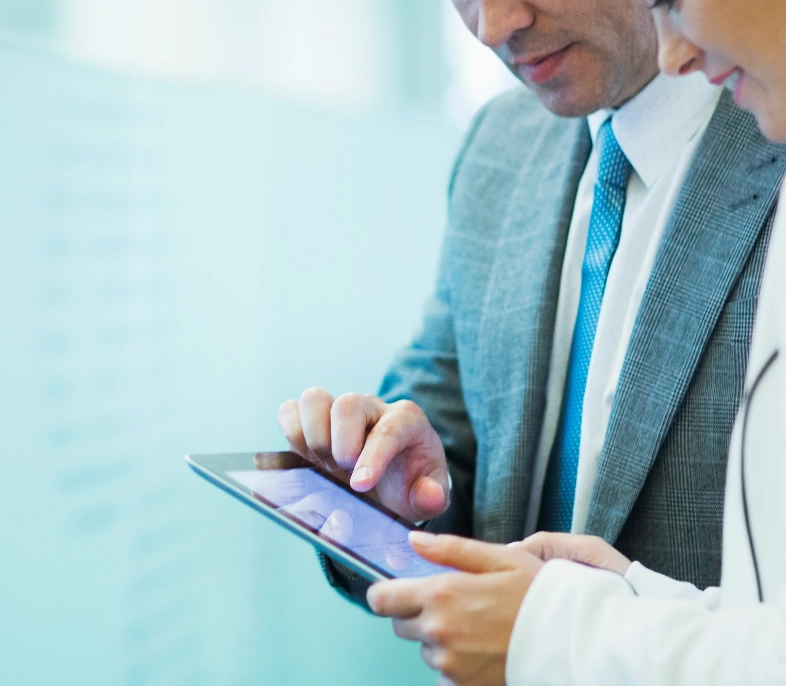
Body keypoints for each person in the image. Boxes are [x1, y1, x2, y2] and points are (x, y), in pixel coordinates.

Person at [279, 0, 784, 607]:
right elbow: (446, 422)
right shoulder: (500, 147)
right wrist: (384, 498)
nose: (493, 28)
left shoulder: (772, 116)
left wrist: (583, 637)